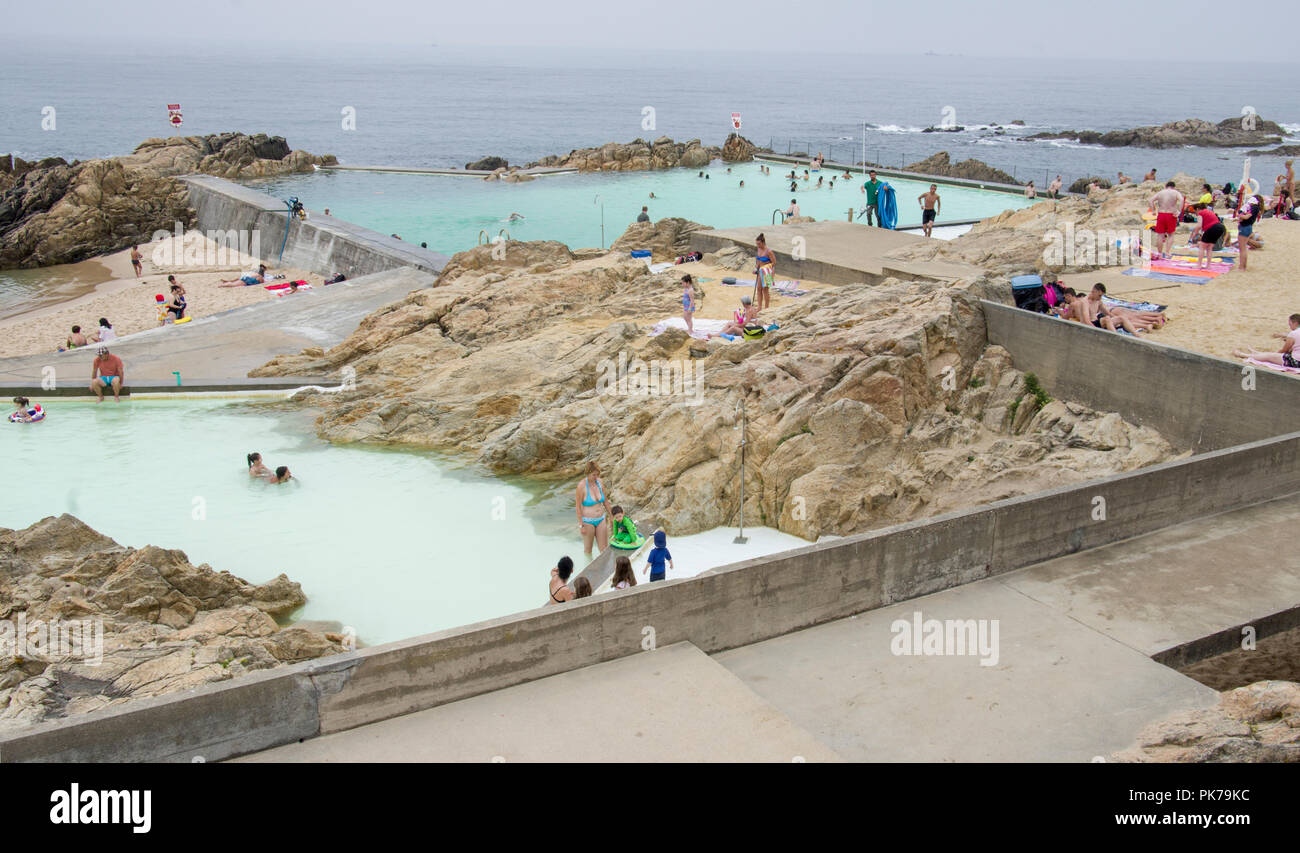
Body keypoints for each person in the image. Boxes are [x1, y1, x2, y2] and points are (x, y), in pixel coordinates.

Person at [1233, 314, 1300, 367]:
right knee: (1272, 355)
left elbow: (1284, 350)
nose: (1290, 327)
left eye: (1290, 324)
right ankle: (1257, 353)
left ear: (1295, 323)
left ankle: (1243, 355)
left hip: (1296, 361)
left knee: (1270, 356)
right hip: (1297, 359)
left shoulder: (1293, 334)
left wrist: (1276, 354)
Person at [576, 461, 610, 558]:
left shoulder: (600, 482)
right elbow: (578, 507)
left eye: (597, 474)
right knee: (588, 550)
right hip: (587, 521)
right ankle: (589, 570)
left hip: (601, 519)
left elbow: (606, 501)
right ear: (587, 473)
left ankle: (606, 571)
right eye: (593, 475)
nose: (596, 477)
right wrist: (581, 525)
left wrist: (611, 516)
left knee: (604, 549)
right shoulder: (581, 486)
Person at [1150, 181, 1184, 260]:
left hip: (1161, 214)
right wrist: (1179, 211)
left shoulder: (1161, 192)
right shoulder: (1175, 192)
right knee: (1171, 234)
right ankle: (1167, 252)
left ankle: (1160, 253)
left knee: (1160, 235)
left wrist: (1153, 210)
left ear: (1166, 186)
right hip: (1171, 214)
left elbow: (1151, 200)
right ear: (1174, 187)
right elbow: (1182, 200)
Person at [1193, 203, 1225, 269]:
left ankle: (1199, 265)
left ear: (1197, 209)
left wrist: (1195, 234)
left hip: (1213, 228)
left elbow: (1199, 225)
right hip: (1220, 227)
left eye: (1195, 211)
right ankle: (1208, 265)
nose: (1195, 213)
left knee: (1202, 246)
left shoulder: (1201, 213)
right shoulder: (1209, 211)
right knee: (1209, 247)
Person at [753, 233, 775, 311]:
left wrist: (766, 267)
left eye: (759, 244)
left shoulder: (769, 251)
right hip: (760, 270)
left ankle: (766, 307)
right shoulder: (759, 249)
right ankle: (759, 306)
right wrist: (756, 268)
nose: (757, 245)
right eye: (756, 244)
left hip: (767, 271)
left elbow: (774, 263)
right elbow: (758, 259)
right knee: (759, 289)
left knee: (765, 290)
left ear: (763, 242)